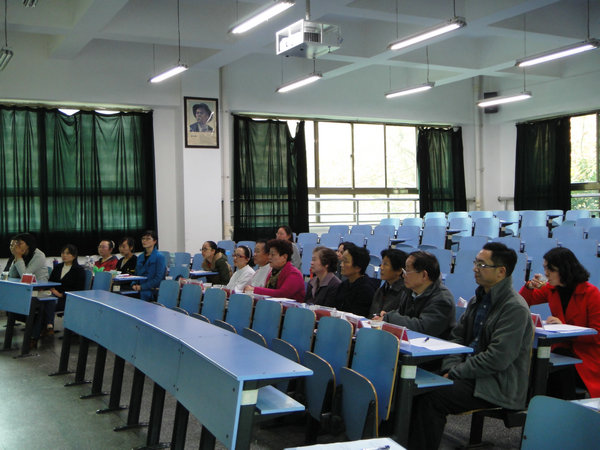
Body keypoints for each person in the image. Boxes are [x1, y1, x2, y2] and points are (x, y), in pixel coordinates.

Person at [408, 242, 534, 450]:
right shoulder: (478, 299)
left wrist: (455, 372)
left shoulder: (514, 308)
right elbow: (457, 338)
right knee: (412, 385)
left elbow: (497, 358)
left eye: (482, 265)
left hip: (495, 383)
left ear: (501, 272)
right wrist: (451, 367)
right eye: (476, 263)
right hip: (468, 374)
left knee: (432, 397)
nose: (475, 268)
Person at [520, 247, 600, 398]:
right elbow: (523, 302)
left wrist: (564, 327)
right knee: (534, 362)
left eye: (550, 269)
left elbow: (597, 334)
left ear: (565, 269)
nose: (546, 273)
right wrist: (529, 287)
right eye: (545, 268)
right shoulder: (552, 289)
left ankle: (562, 407)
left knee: (553, 370)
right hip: (560, 350)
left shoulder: (591, 293)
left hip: (586, 358)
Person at [377, 250, 455, 339]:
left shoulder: (442, 299)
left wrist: (390, 318)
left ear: (424, 275)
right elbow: (400, 315)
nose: (403, 275)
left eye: (407, 271)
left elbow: (423, 328)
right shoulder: (409, 291)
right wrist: (385, 317)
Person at [44, 244, 87, 336]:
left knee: (50, 301)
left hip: (67, 298)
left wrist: (61, 294)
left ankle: (49, 326)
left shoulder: (79, 270)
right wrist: (51, 289)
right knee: (41, 300)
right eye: (63, 253)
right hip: (53, 294)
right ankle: (42, 328)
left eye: (67, 253)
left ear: (74, 256)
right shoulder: (58, 267)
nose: (64, 255)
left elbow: (79, 289)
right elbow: (50, 282)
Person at [334, 245, 375, 317]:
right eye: (342, 261)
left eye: (345, 261)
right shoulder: (343, 285)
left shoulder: (366, 290)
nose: (341, 265)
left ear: (358, 267)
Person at [369, 249, 409, 317]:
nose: (381, 268)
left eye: (385, 264)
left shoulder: (405, 293)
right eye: (381, 264)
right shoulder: (382, 289)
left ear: (399, 270)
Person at [132, 230, 167, 301]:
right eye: (143, 239)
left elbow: (158, 278)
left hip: (152, 290)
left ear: (154, 241)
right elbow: (135, 274)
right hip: (138, 289)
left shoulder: (159, 257)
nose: (144, 241)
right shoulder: (140, 257)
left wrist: (142, 287)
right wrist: (133, 284)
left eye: (148, 239)